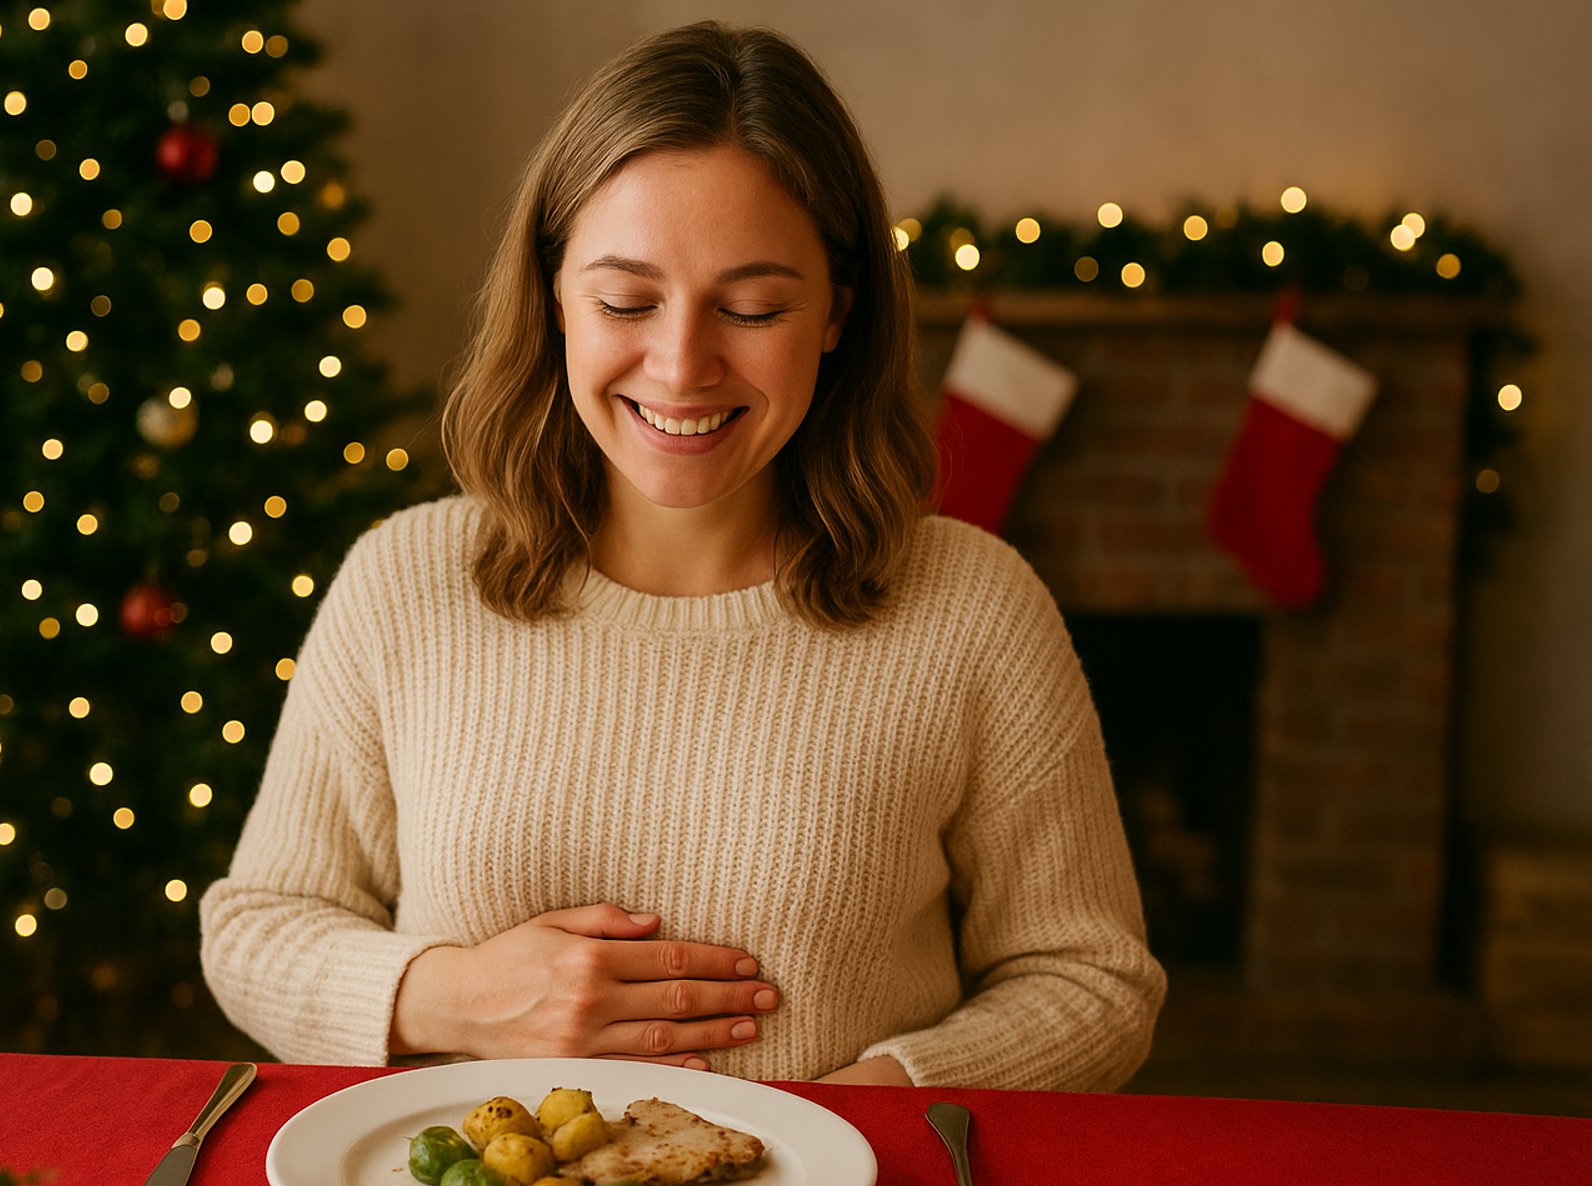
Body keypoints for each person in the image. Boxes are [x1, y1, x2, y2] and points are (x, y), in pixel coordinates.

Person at [200, 21, 1165, 1089]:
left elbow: (1090, 980)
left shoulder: (975, 610)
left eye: (752, 307)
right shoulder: (403, 582)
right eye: (625, 300)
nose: (681, 365)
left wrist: (866, 1116)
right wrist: (460, 996)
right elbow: (258, 927)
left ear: (840, 310)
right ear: (553, 292)